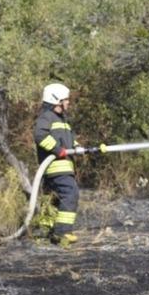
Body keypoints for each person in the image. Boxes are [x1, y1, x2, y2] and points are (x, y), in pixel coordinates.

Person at [33, 83, 86, 246]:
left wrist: (77, 147)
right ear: (57, 100)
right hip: (55, 167)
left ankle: (46, 232)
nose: (68, 102)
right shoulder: (46, 117)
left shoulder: (63, 120)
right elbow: (40, 136)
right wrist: (58, 150)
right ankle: (63, 232)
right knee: (70, 193)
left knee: (52, 199)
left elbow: (69, 140)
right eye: (66, 100)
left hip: (64, 167)